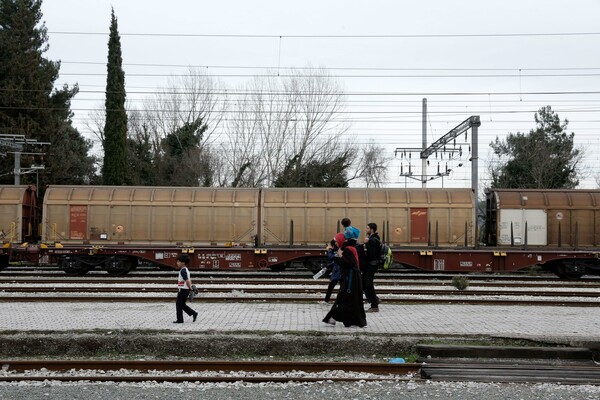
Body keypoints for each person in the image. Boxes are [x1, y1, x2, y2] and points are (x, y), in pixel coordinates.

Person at [322, 233, 367, 328]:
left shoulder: (347, 249)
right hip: (352, 278)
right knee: (345, 299)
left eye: (337, 241)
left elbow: (348, 263)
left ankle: (349, 320)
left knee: (345, 299)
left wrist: (340, 256)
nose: (336, 243)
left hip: (350, 279)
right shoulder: (350, 248)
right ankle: (333, 318)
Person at [174, 254, 198, 324]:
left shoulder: (183, 271)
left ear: (183, 262)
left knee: (179, 305)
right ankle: (193, 313)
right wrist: (190, 287)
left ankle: (180, 320)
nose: (177, 263)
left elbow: (187, 280)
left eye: (178, 262)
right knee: (182, 304)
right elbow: (188, 280)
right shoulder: (185, 270)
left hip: (183, 290)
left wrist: (190, 288)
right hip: (184, 289)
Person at [363, 222, 381, 312]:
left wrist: (366, 243)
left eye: (367, 228)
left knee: (368, 285)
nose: (366, 230)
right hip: (371, 264)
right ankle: (375, 300)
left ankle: (374, 306)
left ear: (372, 229)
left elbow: (372, 254)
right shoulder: (374, 238)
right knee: (366, 283)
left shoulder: (373, 240)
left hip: (372, 264)